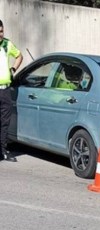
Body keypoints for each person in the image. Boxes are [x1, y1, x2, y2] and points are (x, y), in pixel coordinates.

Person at [0, 19, 23, 162]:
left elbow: (19, 56)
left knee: (4, 122)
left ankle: (2, 151)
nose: (0, 34)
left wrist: (13, 69)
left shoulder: (7, 44)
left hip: (5, 91)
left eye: (1, 31)